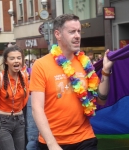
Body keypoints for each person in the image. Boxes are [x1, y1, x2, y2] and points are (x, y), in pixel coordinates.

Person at [29, 14, 114, 150]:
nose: (77, 36)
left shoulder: (85, 62)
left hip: (85, 138)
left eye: (79, 31)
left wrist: (105, 70)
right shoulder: (41, 65)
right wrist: (52, 144)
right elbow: (36, 109)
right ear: (58, 34)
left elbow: (101, 100)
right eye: (72, 32)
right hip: (53, 141)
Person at [0, 45, 29, 150]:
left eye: (19, 58)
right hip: (1, 123)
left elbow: (25, 100)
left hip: (20, 121)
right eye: (12, 58)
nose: (16, 61)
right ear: (6, 61)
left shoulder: (24, 77)